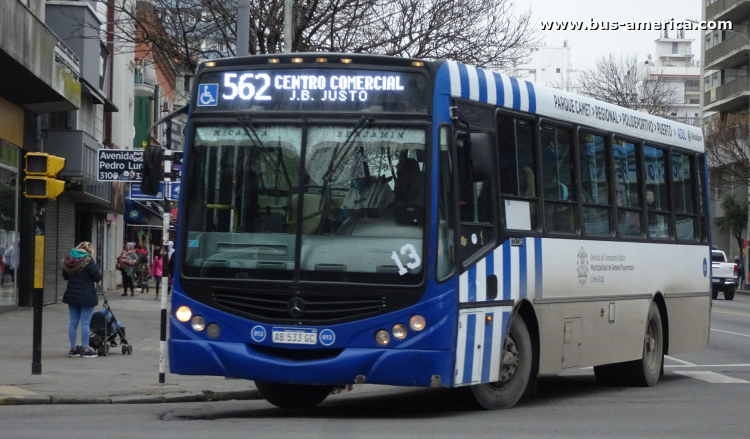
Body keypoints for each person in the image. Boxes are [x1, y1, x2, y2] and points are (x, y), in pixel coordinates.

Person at [61, 241, 101, 358]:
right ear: (89, 251)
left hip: (72, 295)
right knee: (85, 323)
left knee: (73, 323)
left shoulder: (69, 259)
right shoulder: (88, 260)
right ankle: (85, 348)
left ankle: (73, 348)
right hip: (86, 295)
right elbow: (97, 277)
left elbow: (65, 276)